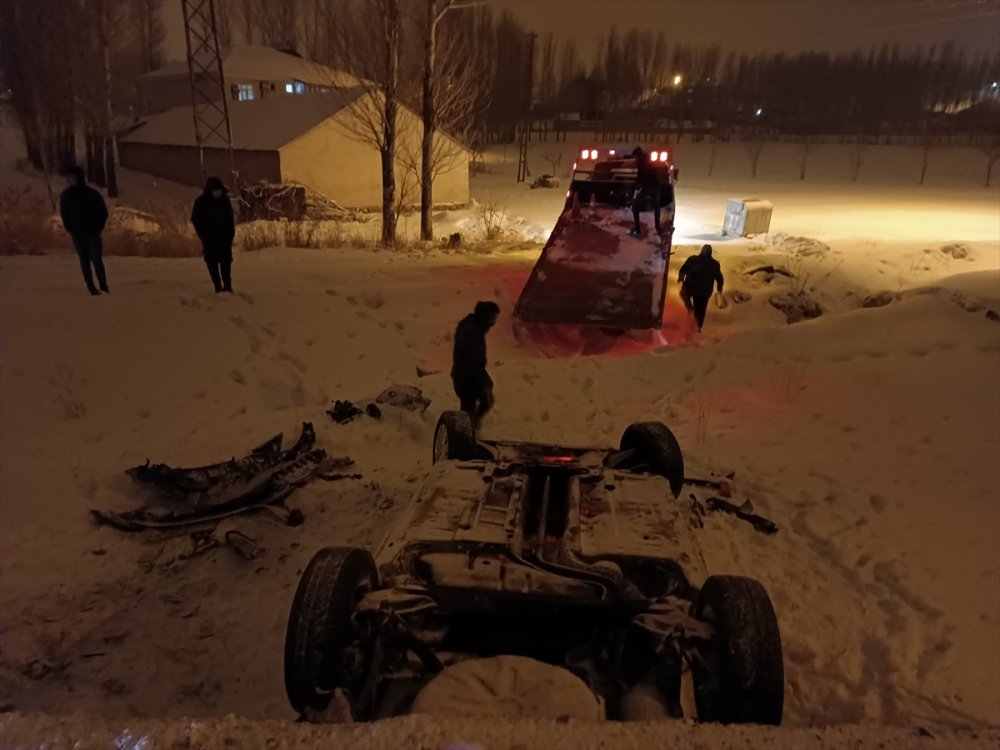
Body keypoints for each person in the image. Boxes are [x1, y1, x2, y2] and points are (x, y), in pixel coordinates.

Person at [59, 166, 109, 296]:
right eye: (68, 177)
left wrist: (98, 227)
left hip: (92, 231)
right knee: (84, 259)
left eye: (72, 177)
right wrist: (69, 227)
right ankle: (91, 287)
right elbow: (64, 213)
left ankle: (103, 286)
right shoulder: (67, 195)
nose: (69, 179)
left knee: (96, 259)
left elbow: (102, 212)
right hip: (77, 232)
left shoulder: (91, 194)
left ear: (79, 177)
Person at [451, 301, 500, 426]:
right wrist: (484, 382)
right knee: (471, 406)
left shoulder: (471, 326)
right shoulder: (472, 330)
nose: (493, 323)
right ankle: (464, 432)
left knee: (470, 407)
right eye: (492, 318)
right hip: (467, 378)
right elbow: (473, 362)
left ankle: (469, 428)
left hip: (465, 376)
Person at [191, 176, 236, 293]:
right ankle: (217, 286)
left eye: (219, 190)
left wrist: (230, 234)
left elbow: (230, 219)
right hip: (209, 239)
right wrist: (204, 234)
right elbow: (196, 220)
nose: (218, 193)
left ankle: (227, 286)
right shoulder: (201, 202)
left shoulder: (225, 201)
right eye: (216, 190)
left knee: (226, 263)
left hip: (224, 239)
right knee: (212, 263)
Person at [678, 244, 725, 332]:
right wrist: (719, 290)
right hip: (705, 292)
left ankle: (690, 308)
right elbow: (720, 278)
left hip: (691, 287)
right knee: (701, 309)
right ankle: (698, 327)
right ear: (710, 253)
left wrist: (682, 279)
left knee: (683, 293)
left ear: (701, 251)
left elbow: (682, 271)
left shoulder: (693, 260)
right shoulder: (714, 264)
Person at [628, 147, 662, 238]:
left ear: (638, 155)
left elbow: (641, 178)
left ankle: (637, 229)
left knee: (635, 207)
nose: (634, 159)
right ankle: (658, 228)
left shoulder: (641, 163)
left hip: (649, 187)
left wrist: (633, 188)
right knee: (656, 206)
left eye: (635, 157)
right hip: (655, 186)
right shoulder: (648, 161)